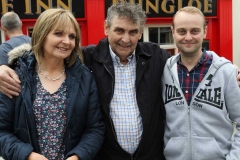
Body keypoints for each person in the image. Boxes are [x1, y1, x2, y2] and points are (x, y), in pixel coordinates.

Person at [0, 2, 240, 160]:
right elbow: (46, 54)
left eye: (133, 31)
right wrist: (3, 66)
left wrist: (230, 70)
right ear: (106, 27)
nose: (126, 38)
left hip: (151, 156)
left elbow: (194, 61)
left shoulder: (156, 57)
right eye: (119, 30)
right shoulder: (88, 59)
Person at [0, 8, 104, 160]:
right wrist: (28, 156)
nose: (67, 41)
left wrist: (77, 156)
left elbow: (95, 129)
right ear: (42, 35)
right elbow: (2, 131)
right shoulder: (16, 76)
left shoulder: (84, 77)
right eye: (58, 33)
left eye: (72, 36)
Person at [162, 6, 240, 160]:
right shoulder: (164, 70)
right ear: (173, 32)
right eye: (182, 31)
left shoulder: (226, 72)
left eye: (195, 31)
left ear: (205, 31)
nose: (188, 37)